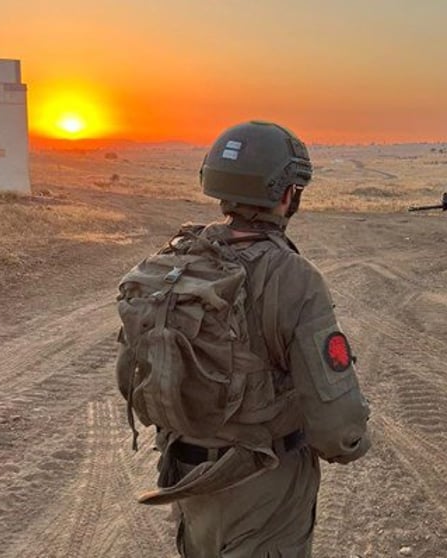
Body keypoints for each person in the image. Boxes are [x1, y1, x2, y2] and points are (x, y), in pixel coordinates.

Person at [115, 120, 371, 557]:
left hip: (188, 475)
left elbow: (132, 375)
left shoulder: (176, 259)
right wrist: (354, 442)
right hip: (263, 484)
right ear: (288, 193)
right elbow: (336, 427)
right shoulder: (292, 276)